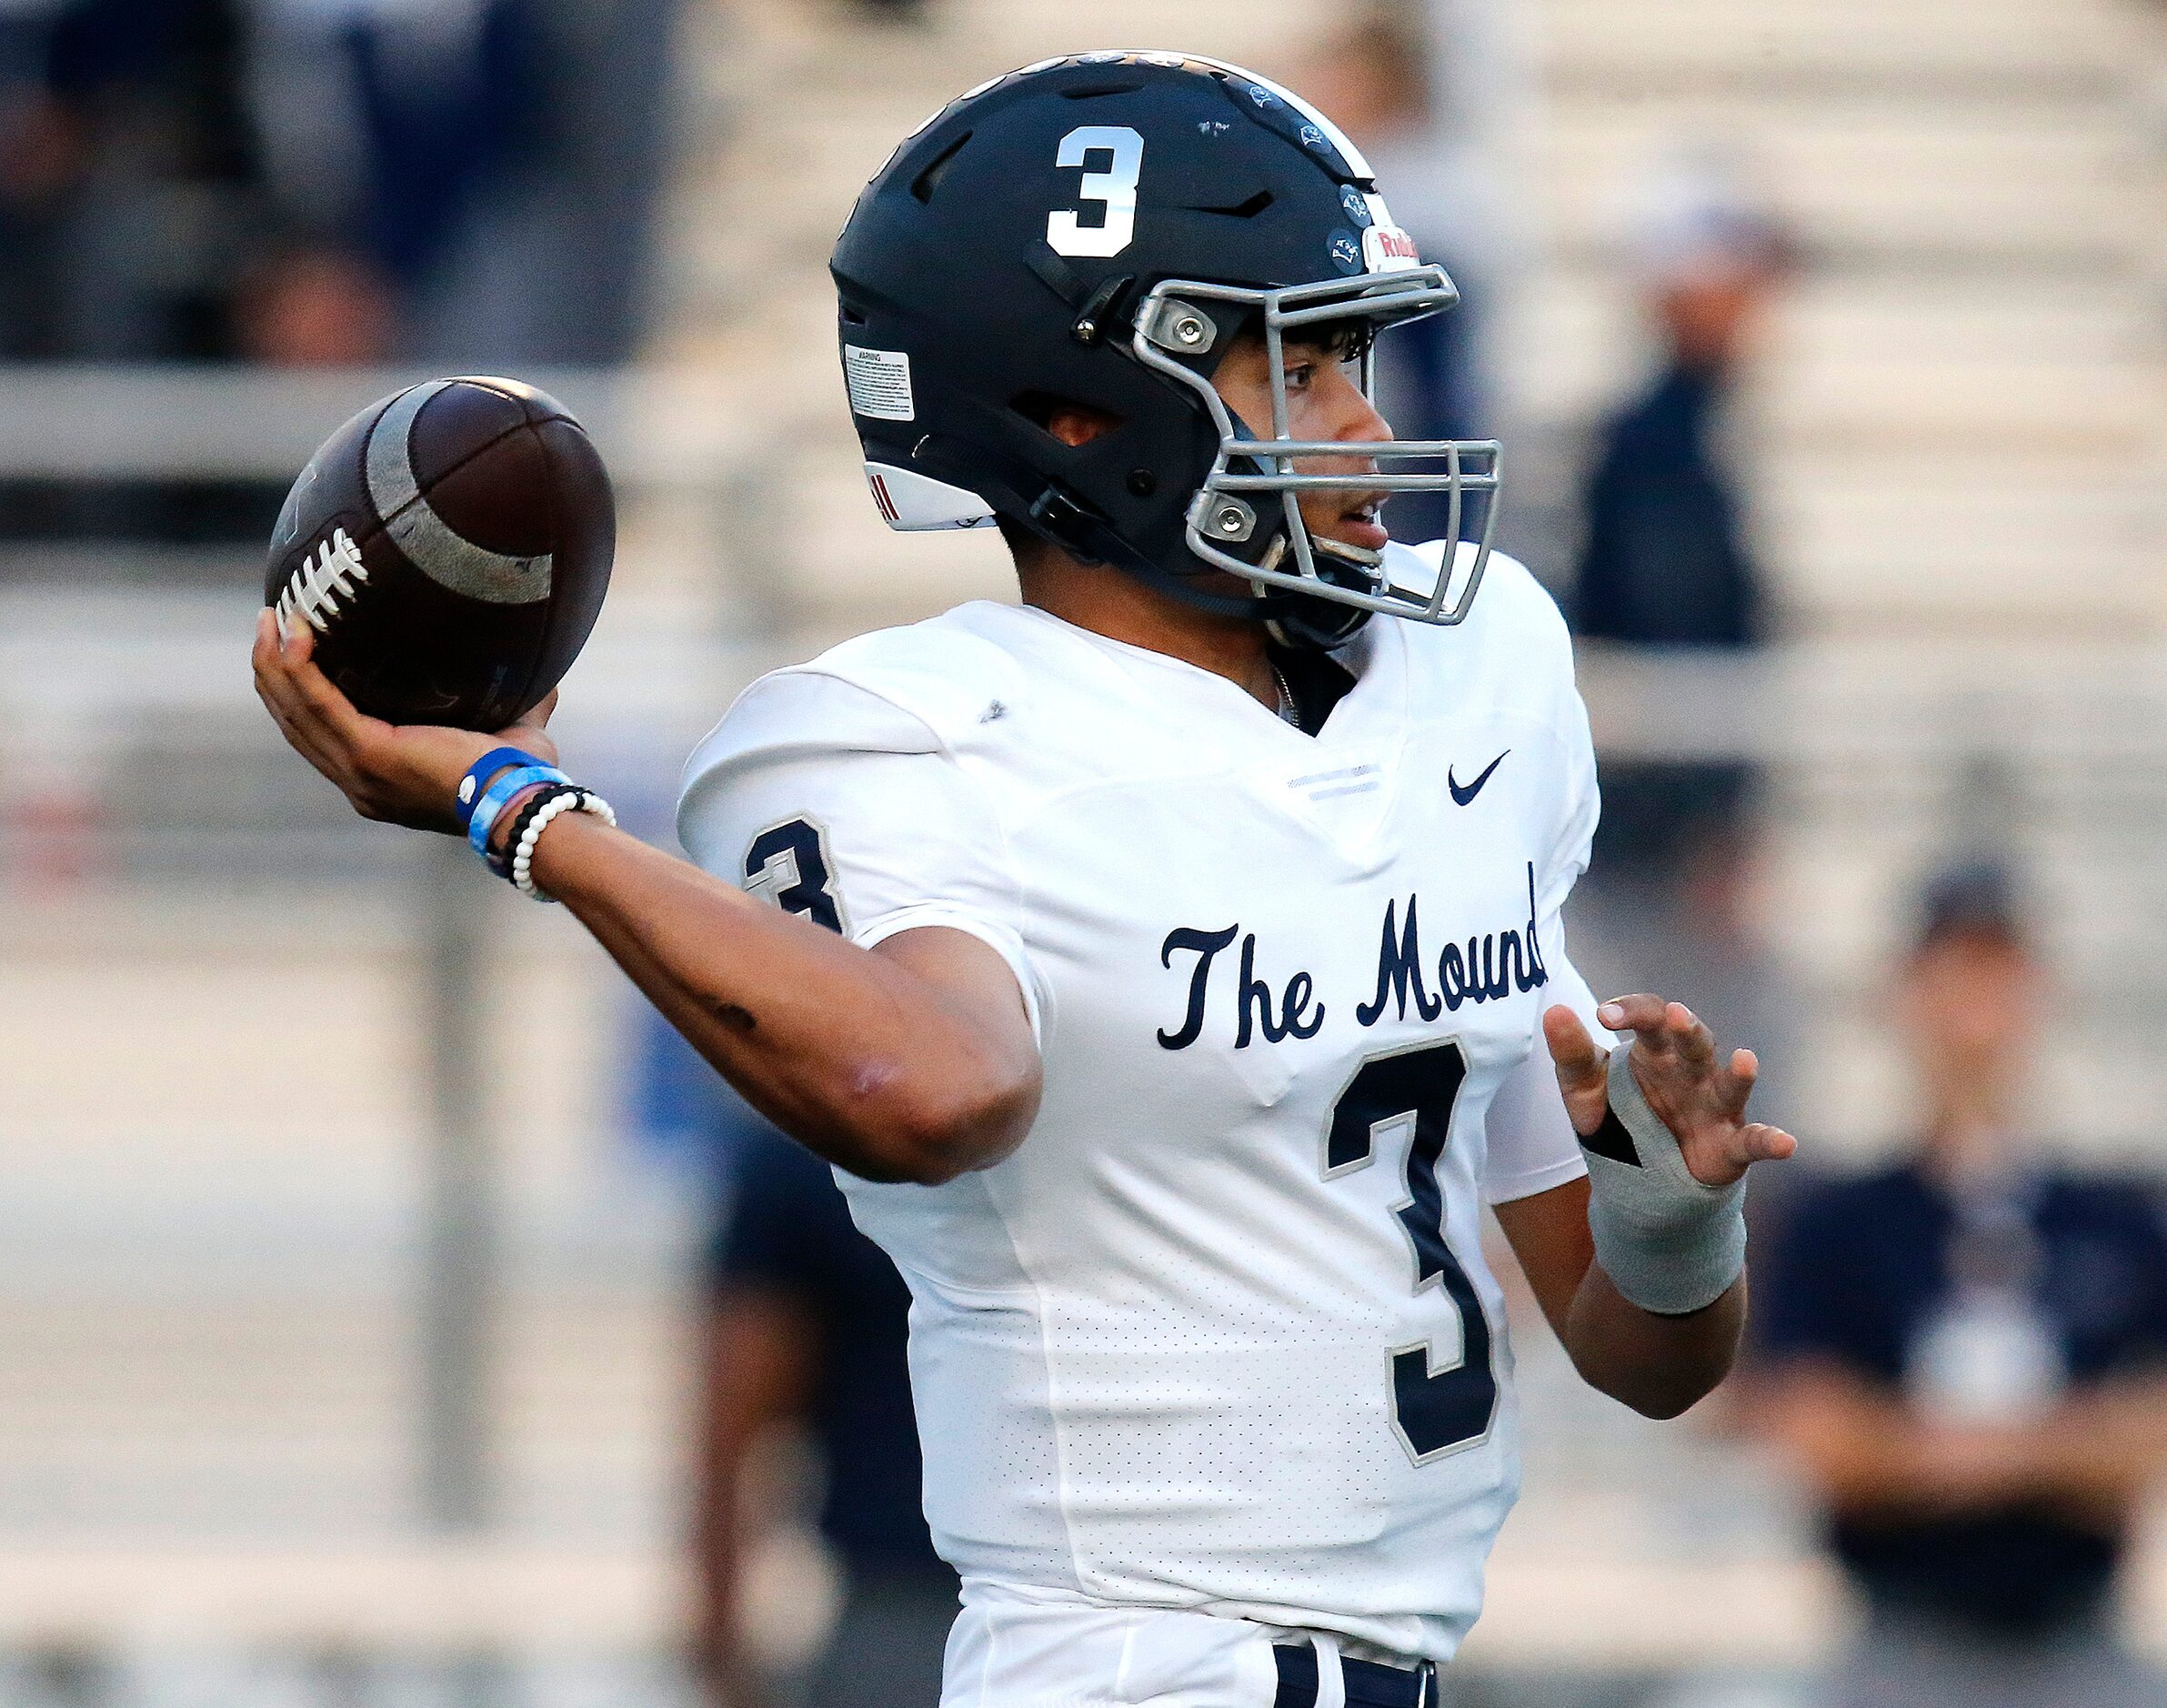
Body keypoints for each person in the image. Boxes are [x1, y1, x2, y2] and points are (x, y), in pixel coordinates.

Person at [255, 54, 1798, 1706]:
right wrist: (531, 811)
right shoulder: (896, 738)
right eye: (1299, 371)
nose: (1366, 424)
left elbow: (1638, 1356)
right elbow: (931, 1085)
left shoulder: (1479, 664)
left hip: (1404, 1665)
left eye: (1356, 355)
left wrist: (1670, 1216)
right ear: (1085, 417)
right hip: (1128, 1663)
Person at [1750, 864, 2167, 1708]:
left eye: (1996, 974)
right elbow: (1813, 1433)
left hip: (2076, 1640)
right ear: (1902, 996)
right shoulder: (1839, 1219)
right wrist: (2051, 1452)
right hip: (1896, 1643)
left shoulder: (2113, 1216)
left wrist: (1945, 1451)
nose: (1973, 1008)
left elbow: (2143, 1439)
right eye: (1950, 976)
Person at [694, 1113, 957, 1708]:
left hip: (904, 1608)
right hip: (907, 1605)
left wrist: (718, 1637)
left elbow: (734, 1414)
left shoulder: (820, 1144)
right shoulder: (813, 1155)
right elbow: (737, 1409)